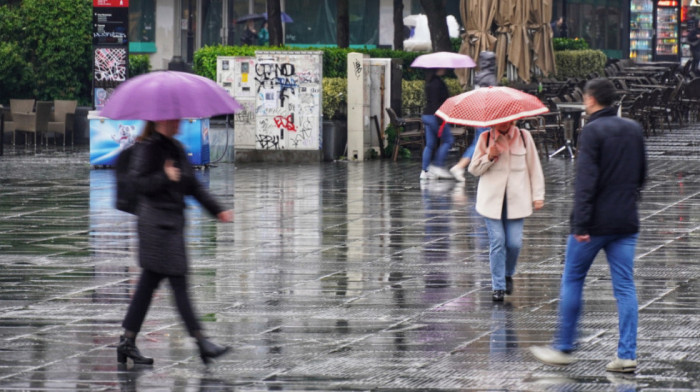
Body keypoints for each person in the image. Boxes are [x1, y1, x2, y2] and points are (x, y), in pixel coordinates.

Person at [529, 78, 647, 373]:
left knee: (573, 279)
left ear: (591, 99)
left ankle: (565, 347)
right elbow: (642, 175)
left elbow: (586, 182)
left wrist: (580, 223)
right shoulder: (634, 129)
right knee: (625, 287)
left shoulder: (592, 131)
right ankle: (627, 354)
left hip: (593, 223)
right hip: (626, 221)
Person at [117, 119, 234, 365]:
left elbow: (193, 186)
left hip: (171, 226)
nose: (180, 122)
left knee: (148, 286)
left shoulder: (176, 148)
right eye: (176, 119)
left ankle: (127, 341)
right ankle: (202, 342)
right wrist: (164, 176)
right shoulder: (148, 148)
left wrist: (218, 210)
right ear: (163, 121)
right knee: (178, 283)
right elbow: (139, 184)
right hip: (155, 227)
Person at [468, 120, 545, 301]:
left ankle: (507, 273)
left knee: (514, 243)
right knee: (498, 242)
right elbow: (473, 170)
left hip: (517, 200)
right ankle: (498, 287)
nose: (504, 123)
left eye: (507, 120)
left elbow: (534, 167)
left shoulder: (524, 138)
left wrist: (538, 195)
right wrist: (489, 156)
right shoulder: (485, 138)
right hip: (491, 201)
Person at [449, 51, 497, 182]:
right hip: (486, 115)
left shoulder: (479, 76)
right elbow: (492, 98)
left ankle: (478, 166)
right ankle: (461, 166)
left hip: (478, 114)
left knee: (479, 141)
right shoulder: (490, 78)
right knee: (480, 143)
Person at [420, 68, 454, 180]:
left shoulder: (429, 81)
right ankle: (437, 166)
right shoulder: (438, 83)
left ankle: (424, 171)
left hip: (427, 115)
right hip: (436, 116)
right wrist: (440, 121)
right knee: (448, 140)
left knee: (430, 144)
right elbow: (437, 103)